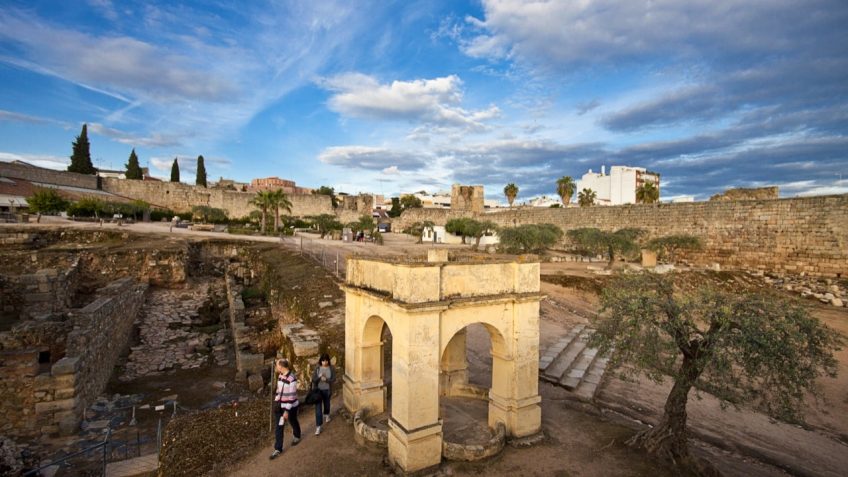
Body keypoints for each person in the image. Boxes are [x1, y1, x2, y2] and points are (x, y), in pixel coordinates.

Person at [270, 359, 301, 459]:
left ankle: (297, 435)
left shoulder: (292, 378)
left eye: (277, 366)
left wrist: (287, 411)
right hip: (280, 406)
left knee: (293, 420)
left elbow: (291, 397)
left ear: (281, 367)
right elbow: (279, 391)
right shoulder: (280, 376)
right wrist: (276, 401)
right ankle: (278, 448)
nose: (276, 367)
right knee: (279, 427)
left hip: (290, 406)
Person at [311, 353, 335, 435]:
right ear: (320, 361)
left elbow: (333, 379)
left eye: (326, 361)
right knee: (318, 409)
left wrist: (326, 380)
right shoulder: (317, 368)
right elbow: (313, 380)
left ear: (328, 361)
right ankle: (318, 426)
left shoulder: (331, 368)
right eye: (323, 361)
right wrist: (319, 377)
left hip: (327, 390)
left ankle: (327, 414)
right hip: (318, 391)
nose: (325, 362)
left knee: (327, 404)